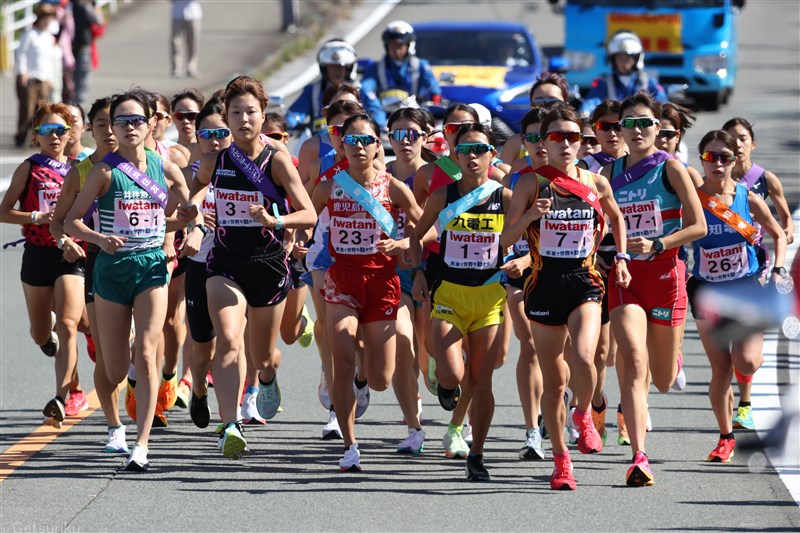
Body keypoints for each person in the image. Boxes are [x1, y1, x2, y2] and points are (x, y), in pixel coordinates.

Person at [181, 76, 316, 458]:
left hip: (269, 264)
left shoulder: (277, 160)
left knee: (261, 356)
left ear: (263, 114)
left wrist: (275, 222)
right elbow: (196, 189)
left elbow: (308, 212)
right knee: (227, 339)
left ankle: (269, 377)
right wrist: (194, 213)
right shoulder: (216, 158)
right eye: (235, 112)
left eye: (250, 112)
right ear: (226, 116)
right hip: (224, 262)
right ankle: (231, 425)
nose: (243, 119)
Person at [501, 105, 630, 490]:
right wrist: (529, 217)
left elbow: (617, 218)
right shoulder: (530, 183)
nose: (566, 144)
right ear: (543, 142)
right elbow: (506, 240)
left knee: (586, 356)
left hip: (585, 278)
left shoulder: (596, 182)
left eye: (574, 137)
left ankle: (584, 413)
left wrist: (621, 257)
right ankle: (561, 461)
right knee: (554, 381)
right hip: (543, 282)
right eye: (556, 137)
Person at [64, 88, 190, 471]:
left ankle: (142, 443)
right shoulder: (103, 172)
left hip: (151, 266)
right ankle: (114, 425)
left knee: (148, 353)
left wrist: (191, 220)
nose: (130, 127)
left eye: (137, 120)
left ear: (152, 123)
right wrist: (98, 238)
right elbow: (72, 221)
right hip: (111, 270)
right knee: (114, 366)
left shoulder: (164, 167)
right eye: (122, 121)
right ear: (113, 128)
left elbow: (182, 210)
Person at [602, 90, 706, 487]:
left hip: (665, 277)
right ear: (622, 130)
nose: (638, 130)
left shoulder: (671, 169)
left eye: (646, 122)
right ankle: (639, 457)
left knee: (661, 378)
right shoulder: (610, 174)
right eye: (629, 123)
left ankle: (673, 359)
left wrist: (660, 243)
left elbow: (698, 226)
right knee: (631, 357)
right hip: (626, 276)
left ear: (658, 127)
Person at [311, 114, 422, 471]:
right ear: (341, 145)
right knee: (339, 358)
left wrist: (404, 243)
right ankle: (350, 444)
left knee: (380, 378)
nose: (359, 147)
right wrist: (290, 236)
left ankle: (365, 371)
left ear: (379, 145)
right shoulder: (329, 186)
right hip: (341, 280)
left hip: (382, 282)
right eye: (352, 141)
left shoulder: (394, 187)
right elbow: (305, 218)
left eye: (366, 140)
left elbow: (426, 232)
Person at [408, 122, 511, 481]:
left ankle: (477, 453)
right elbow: (419, 237)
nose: (472, 156)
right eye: (465, 150)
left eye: (480, 150)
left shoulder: (505, 197)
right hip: (449, 291)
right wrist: (417, 266)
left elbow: (525, 243)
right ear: (455, 155)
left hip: (489, 297)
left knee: (482, 384)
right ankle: (448, 386)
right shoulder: (444, 195)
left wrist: (523, 260)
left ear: (492, 155)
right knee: (451, 374)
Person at [688, 129, 786, 463]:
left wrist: (778, 270)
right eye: (710, 157)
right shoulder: (693, 199)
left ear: (734, 160)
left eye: (724, 157)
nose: (717, 163)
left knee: (746, 362)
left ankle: (747, 388)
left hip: (744, 288)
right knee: (721, 369)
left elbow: (778, 235)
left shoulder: (748, 197)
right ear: (702, 159)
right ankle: (725, 437)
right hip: (706, 291)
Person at [0, 102, 86, 428]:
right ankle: (43, 334)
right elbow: (3, 211)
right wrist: (36, 216)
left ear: (70, 133)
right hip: (36, 253)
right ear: (36, 136)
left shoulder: (81, 169)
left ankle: (61, 398)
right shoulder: (29, 167)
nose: (54, 137)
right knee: (40, 334)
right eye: (47, 131)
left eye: (60, 130)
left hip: (70, 255)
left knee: (68, 325)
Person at [49, 96, 127, 451]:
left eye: (116, 123)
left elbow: (170, 211)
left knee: (143, 345)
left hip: (143, 262)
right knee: (110, 357)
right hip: (94, 261)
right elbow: (58, 221)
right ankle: (114, 426)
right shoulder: (81, 172)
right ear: (89, 129)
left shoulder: (150, 166)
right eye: (101, 124)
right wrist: (65, 240)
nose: (110, 131)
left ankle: (147, 396)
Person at [722, 116, 795, 431]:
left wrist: (782, 235)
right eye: (730, 138)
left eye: (741, 138)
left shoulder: (765, 179)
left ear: (752, 143)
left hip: (757, 265)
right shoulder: (711, 180)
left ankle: (745, 403)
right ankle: (727, 403)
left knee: (744, 341)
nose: (737, 144)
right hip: (718, 268)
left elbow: (786, 222)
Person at [386, 106, 432, 454]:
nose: (405, 141)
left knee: (433, 358)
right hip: (393, 273)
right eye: (398, 134)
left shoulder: (443, 174)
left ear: (426, 137)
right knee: (403, 343)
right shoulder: (379, 175)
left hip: (436, 270)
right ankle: (414, 427)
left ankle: (458, 413)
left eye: (412, 134)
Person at [361, 20, 441, 131]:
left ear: (409, 45)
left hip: (415, 113)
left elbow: (432, 87)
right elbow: (366, 88)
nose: (396, 49)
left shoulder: (421, 65)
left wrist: (433, 97)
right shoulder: (375, 68)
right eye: (392, 44)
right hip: (384, 117)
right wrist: (377, 112)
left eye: (400, 44)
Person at [582, 31, 668, 117]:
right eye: (620, 58)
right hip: (614, 126)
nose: (624, 62)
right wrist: (585, 112)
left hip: (640, 126)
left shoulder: (649, 82)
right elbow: (592, 101)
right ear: (613, 60)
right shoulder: (603, 82)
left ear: (636, 59)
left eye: (627, 58)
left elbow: (661, 102)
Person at [286, 39, 358, 132]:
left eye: (340, 66)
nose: (336, 71)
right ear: (324, 68)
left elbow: (375, 112)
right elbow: (296, 113)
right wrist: (287, 123)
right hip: (319, 142)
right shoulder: (313, 91)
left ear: (348, 68)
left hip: (353, 141)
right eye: (332, 66)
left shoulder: (360, 89)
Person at [500, 72, 568, 166]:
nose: (545, 105)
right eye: (538, 101)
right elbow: (503, 177)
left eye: (553, 101)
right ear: (530, 105)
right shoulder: (516, 143)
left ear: (565, 104)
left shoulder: (574, 139)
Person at [14, 3, 59, 148]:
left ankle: (36, 139)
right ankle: (21, 137)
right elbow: (21, 54)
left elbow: (50, 61)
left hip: (44, 80)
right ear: (39, 18)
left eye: (50, 18)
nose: (47, 21)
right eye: (45, 18)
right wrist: (22, 72)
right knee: (27, 110)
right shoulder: (30, 34)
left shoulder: (48, 37)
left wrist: (51, 79)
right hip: (30, 79)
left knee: (41, 112)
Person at [71, 0, 103, 105]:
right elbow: (98, 21)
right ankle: (77, 107)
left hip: (69, 48)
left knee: (72, 81)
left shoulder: (69, 6)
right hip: (82, 48)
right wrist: (95, 9)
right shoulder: (84, 7)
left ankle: (73, 106)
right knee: (82, 82)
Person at [170, 0, 202, 78]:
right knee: (176, 42)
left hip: (194, 13)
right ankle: (176, 68)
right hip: (177, 13)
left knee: (193, 42)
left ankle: (191, 67)